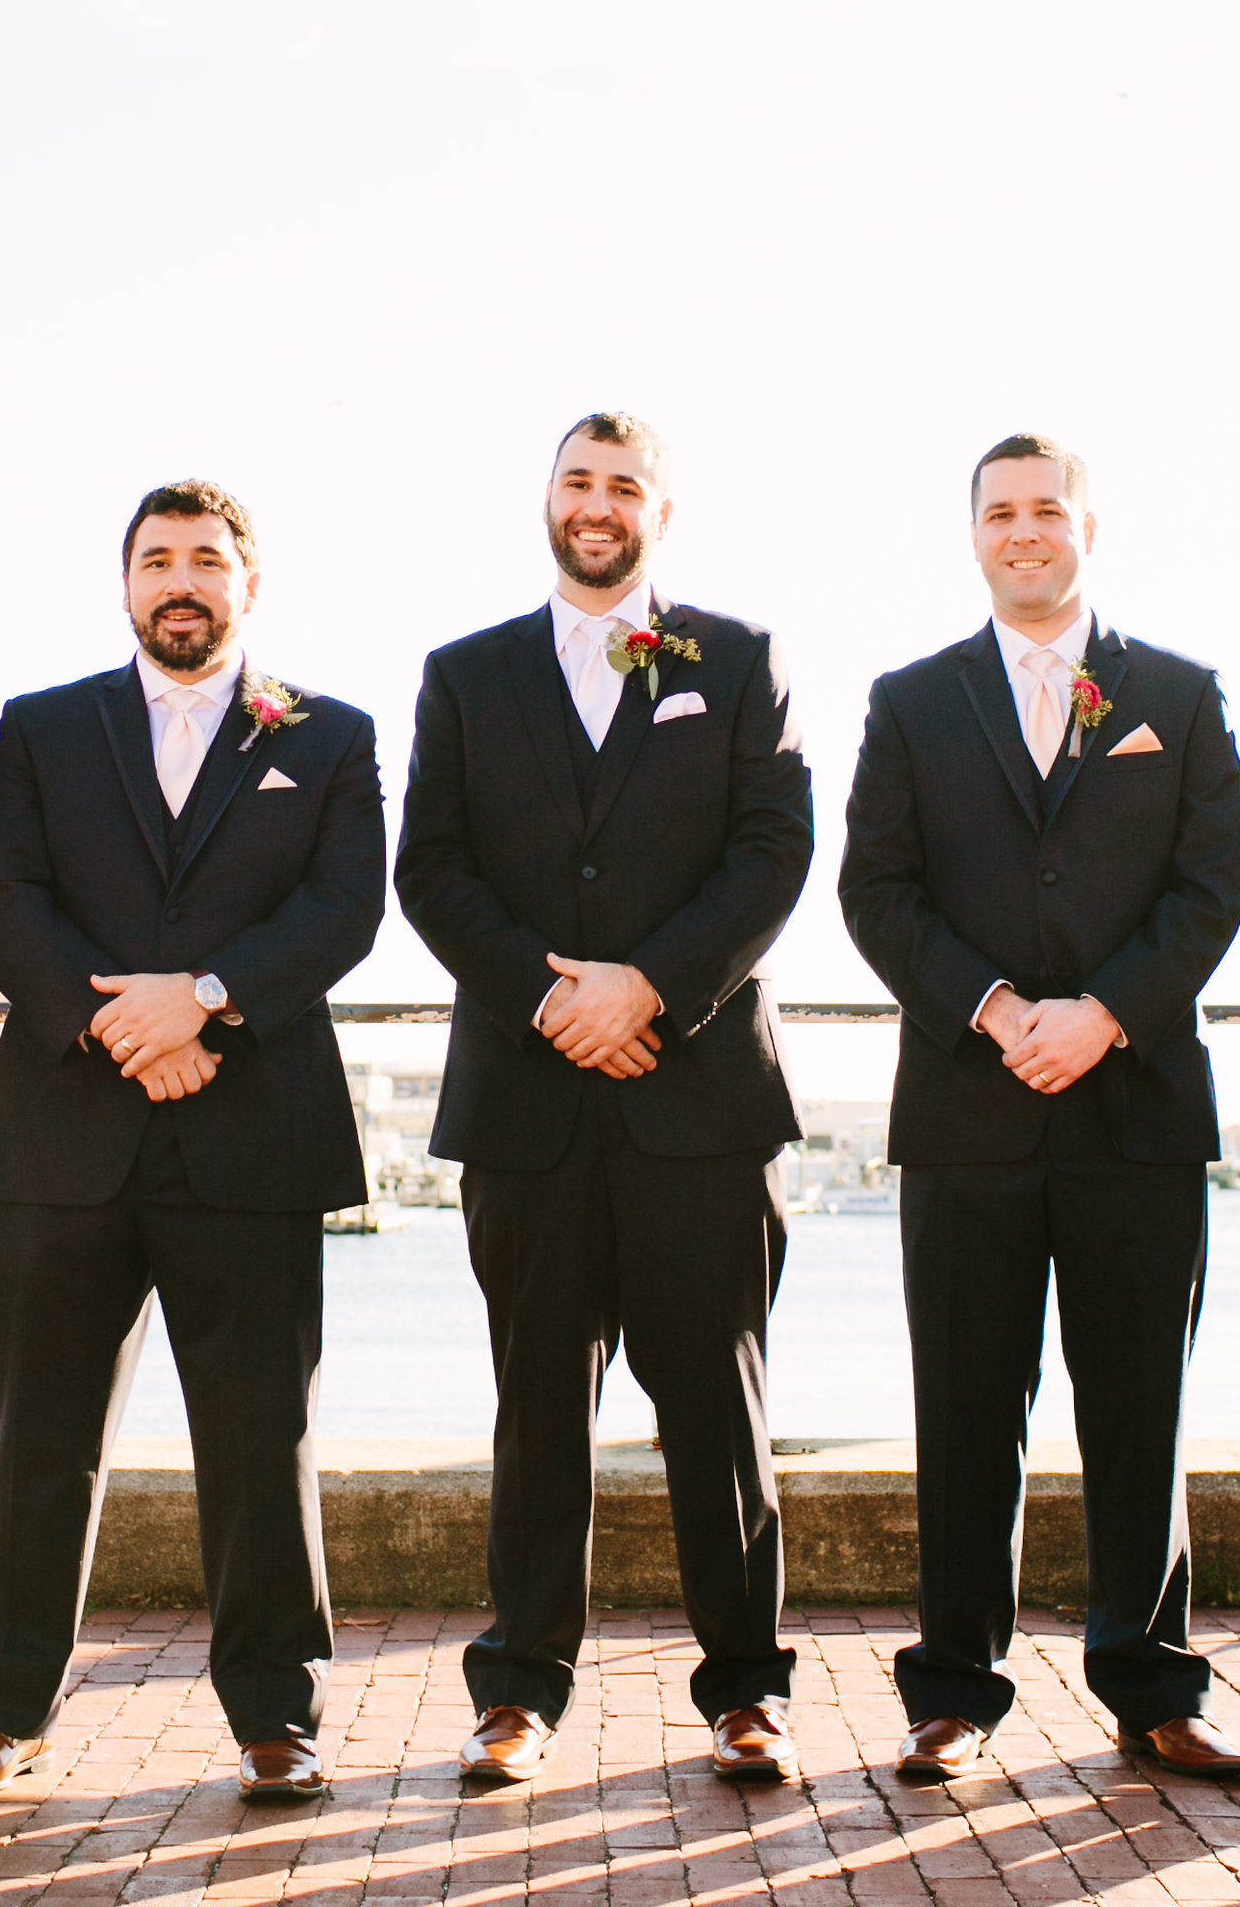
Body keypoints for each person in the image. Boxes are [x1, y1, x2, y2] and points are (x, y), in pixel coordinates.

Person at [0, 479, 385, 1806]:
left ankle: (279, 1718)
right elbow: (0, 896)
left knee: (261, 1445)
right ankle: (4, 1714)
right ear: (126, 583)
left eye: (205, 559)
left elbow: (344, 907)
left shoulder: (330, 735)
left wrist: (206, 1000)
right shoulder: (44, 728)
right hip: (66, 1136)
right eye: (156, 560)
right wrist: (116, 1022)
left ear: (249, 581)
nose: (180, 581)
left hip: (253, 1138)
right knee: (41, 1444)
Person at [394, 411, 815, 1789]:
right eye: (577, 480)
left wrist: (648, 991)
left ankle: (747, 1693)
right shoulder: (466, 676)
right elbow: (431, 869)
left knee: (719, 1412)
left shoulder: (735, 661)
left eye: (624, 485)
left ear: (660, 513)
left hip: (700, 1104)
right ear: (547, 499)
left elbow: (773, 852)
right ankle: (519, 1693)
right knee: (536, 1411)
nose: (597, 503)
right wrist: (552, 999)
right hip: (530, 1105)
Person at [838, 433, 1240, 1786]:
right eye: (1001, 512)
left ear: (1088, 526)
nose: (1026, 530)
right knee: (966, 1411)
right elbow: (876, 889)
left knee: (1142, 1413)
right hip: (970, 1111)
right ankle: (955, 1691)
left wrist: (1106, 1013)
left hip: (1137, 1106)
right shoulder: (911, 702)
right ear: (975, 534)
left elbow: (1211, 885)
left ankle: (1154, 1686)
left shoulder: (1178, 695)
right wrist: (1000, 1009)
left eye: (1048, 509)